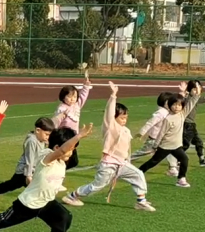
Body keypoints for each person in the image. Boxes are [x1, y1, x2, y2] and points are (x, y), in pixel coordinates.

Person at [62, 81, 156, 211]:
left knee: (138, 174)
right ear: (114, 118)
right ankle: (72, 196)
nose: (125, 120)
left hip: (121, 164)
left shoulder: (126, 130)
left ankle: (141, 201)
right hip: (108, 165)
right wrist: (113, 96)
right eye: (122, 118)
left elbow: (126, 149)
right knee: (97, 186)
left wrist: (127, 160)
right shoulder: (110, 127)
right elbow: (109, 113)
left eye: (126, 118)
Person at [0, 116, 55, 199]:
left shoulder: (41, 140)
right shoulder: (32, 141)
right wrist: (28, 175)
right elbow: (29, 159)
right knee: (12, 185)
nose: (47, 137)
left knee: (13, 185)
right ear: (38, 130)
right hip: (24, 171)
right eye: (46, 134)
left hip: (32, 170)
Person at [167, 80, 205, 171]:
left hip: (191, 124)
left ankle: (202, 159)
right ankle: (174, 158)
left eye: (199, 89)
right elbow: (181, 100)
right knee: (185, 144)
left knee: (198, 142)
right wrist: (183, 92)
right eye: (195, 89)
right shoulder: (188, 98)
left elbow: (204, 98)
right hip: (187, 124)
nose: (197, 91)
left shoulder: (194, 98)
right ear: (189, 89)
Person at [137, 95, 192, 187]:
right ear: (169, 105)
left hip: (176, 146)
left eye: (179, 105)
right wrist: (156, 145)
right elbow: (161, 133)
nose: (177, 107)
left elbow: (191, 103)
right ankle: (138, 173)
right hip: (166, 146)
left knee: (184, 159)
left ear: (182, 106)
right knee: (153, 162)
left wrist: (196, 94)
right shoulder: (167, 119)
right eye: (174, 105)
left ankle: (181, 179)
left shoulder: (182, 115)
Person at [52, 69, 92, 168]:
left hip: (74, 137)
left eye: (74, 97)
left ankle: (60, 168)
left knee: (72, 161)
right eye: (69, 97)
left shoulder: (76, 105)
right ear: (63, 97)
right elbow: (56, 123)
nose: (72, 99)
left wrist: (86, 86)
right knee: (67, 159)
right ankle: (58, 169)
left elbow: (83, 96)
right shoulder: (62, 108)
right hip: (64, 138)